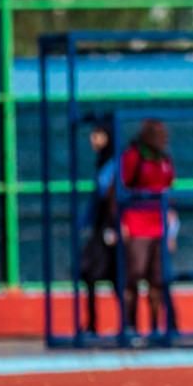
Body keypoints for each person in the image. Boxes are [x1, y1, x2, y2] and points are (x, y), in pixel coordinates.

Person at [119, 119, 176, 334]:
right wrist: (121, 224)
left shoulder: (165, 160)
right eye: (159, 135)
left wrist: (171, 231)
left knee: (158, 281)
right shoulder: (133, 157)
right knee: (133, 278)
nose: (164, 140)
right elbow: (117, 191)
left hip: (159, 228)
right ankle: (130, 326)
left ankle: (155, 327)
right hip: (137, 228)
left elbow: (169, 195)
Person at [78, 119, 119, 333]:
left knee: (101, 272)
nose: (92, 139)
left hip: (110, 227)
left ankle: (127, 323)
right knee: (94, 273)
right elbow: (96, 200)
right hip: (100, 226)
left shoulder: (116, 164)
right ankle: (94, 322)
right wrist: (83, 221)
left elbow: (112, 198)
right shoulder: (102, 163)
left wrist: (114, 227)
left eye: (97, 134)